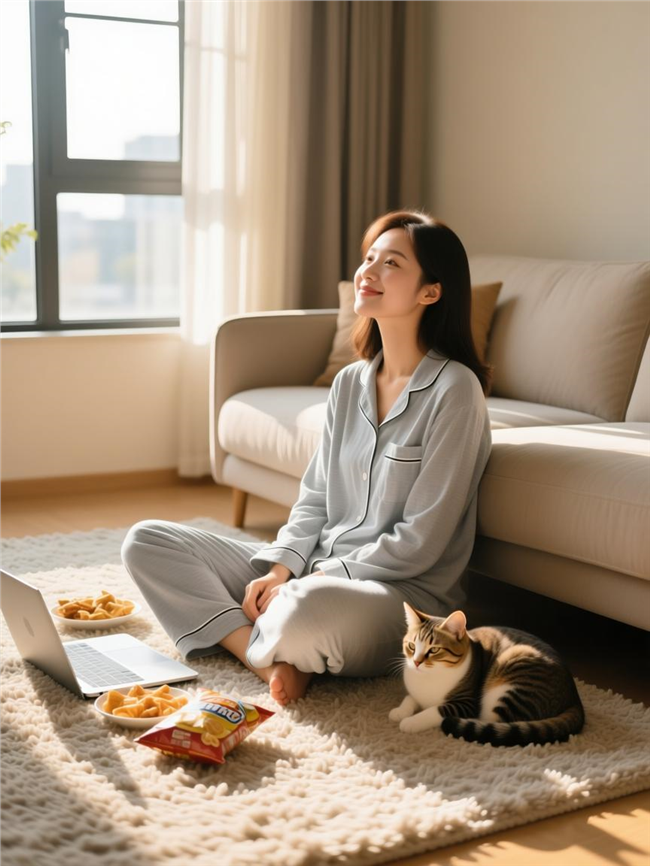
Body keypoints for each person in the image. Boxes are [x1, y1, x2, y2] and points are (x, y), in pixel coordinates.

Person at [121, 210, 492, 706]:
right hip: (312, 572)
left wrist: (314, 579)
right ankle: (267, 658)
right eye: (369, 259)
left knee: (303, 609)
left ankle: (270, 635)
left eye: (392, 264)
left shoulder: (455, 391)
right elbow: (315, 498)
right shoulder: (349, 384)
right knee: (146, 540)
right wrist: (279, 571)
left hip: (399, 597)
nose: (369, 271)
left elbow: (420, 543)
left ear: (431, 291)